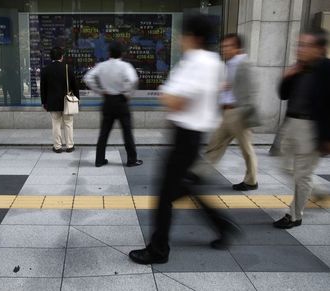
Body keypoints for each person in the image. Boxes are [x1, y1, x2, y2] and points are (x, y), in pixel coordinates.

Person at [129, 14, 241, 265]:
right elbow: (220, 92)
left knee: (164, 197)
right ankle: (223, 226)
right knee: (185, 188)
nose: (180, 39)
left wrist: (166, 95)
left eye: (183, 34)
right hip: (193, 136)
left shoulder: (197, 62)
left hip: (185, 137)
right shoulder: (214, 62)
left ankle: (158, 251)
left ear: (194, 37)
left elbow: (177, 101)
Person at [273, 30, 330, 229]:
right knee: (286, 167)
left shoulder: (327, 69)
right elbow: (282, 95)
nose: (300, 49)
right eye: (299, 44)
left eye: (306, 45)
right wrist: (288, 76)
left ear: (320, 49)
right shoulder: (300, 68)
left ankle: (294, 215)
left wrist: (326, 138)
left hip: (311, 128)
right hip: (292, 124)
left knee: (301, 175)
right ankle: (316, 191)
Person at [205, 33, 260, 191]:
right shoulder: (229, 64)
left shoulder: (245, 64)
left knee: (246, 150)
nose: (224, 49)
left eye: (227, 46)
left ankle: (251, 181)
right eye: (222, 47)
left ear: (237, 48)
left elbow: (251, 92)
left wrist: (246, 116)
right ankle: (198, 173)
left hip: (239, 114)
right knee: (215, 144)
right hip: (228, 113)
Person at [83, 41, 143, 168]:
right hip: (121, 101)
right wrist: (127, 93)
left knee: (104, 133)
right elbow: (133, 80)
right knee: (127, 132)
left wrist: (100, 90)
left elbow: (88, 78)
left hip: (108, 100)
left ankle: (99, 160)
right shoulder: (126, 66)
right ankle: (131, 160)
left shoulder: (102, 66)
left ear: (109, 53)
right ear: (121, 53)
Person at [40, 47, 79, 153]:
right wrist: (77, 99)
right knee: (68, 123)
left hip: (52, 101)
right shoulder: (67, 68)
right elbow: (75, 86)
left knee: (56, 124)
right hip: (67, 101)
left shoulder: (45, 69)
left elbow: (43, 88)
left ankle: (57, 147)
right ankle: (70, 146)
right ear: (61, 57)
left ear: (51, 57)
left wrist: (44, 102)